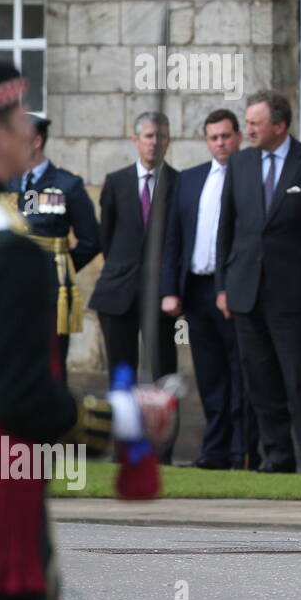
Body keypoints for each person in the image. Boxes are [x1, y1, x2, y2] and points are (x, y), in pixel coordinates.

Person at [0, 64, 79, 600]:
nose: (28, 132)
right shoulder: (10, 252)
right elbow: (23, 402)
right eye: (20, 119)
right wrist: (121, 419)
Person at [215, 91, 301, 474]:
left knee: (298, 377)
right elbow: (227, 229)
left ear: (280, 125)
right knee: (260, 377)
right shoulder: (239, 164)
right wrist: (222, 286)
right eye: (248, 122)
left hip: (294, 293)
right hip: (244, 290)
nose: (248, 129)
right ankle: (277, 455)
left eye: (255, 123)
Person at [160, 108, 255, 470]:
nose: (221, 143)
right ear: (206, 140)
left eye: (226, 136)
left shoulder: (248, 177)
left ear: (238, 137)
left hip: (232, 289)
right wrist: (170, 289)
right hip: (196, 289)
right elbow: (174, 239)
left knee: (238, 371)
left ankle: (239, 450)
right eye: (214, 137)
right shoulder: (189, 179)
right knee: (209, 372)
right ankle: (214, 451)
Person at [88, 112, 179, 397]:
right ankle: (124, 436)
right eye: (149, 136)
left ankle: (162, 441)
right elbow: (107, 236)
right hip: (118, 293)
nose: (154, 143)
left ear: (169, 141)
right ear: (135, 140)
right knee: (121, 375)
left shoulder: (180, 183)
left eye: (161, 137)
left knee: (163, 375)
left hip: (160, 296)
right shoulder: (116, 182)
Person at [6, 112, 101, 381]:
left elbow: (91, 240)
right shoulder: (8, 182)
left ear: (36, 141)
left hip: (51, 290)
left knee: (51, 362)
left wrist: (61, 266)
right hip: (10, 287)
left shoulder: (66, 184)